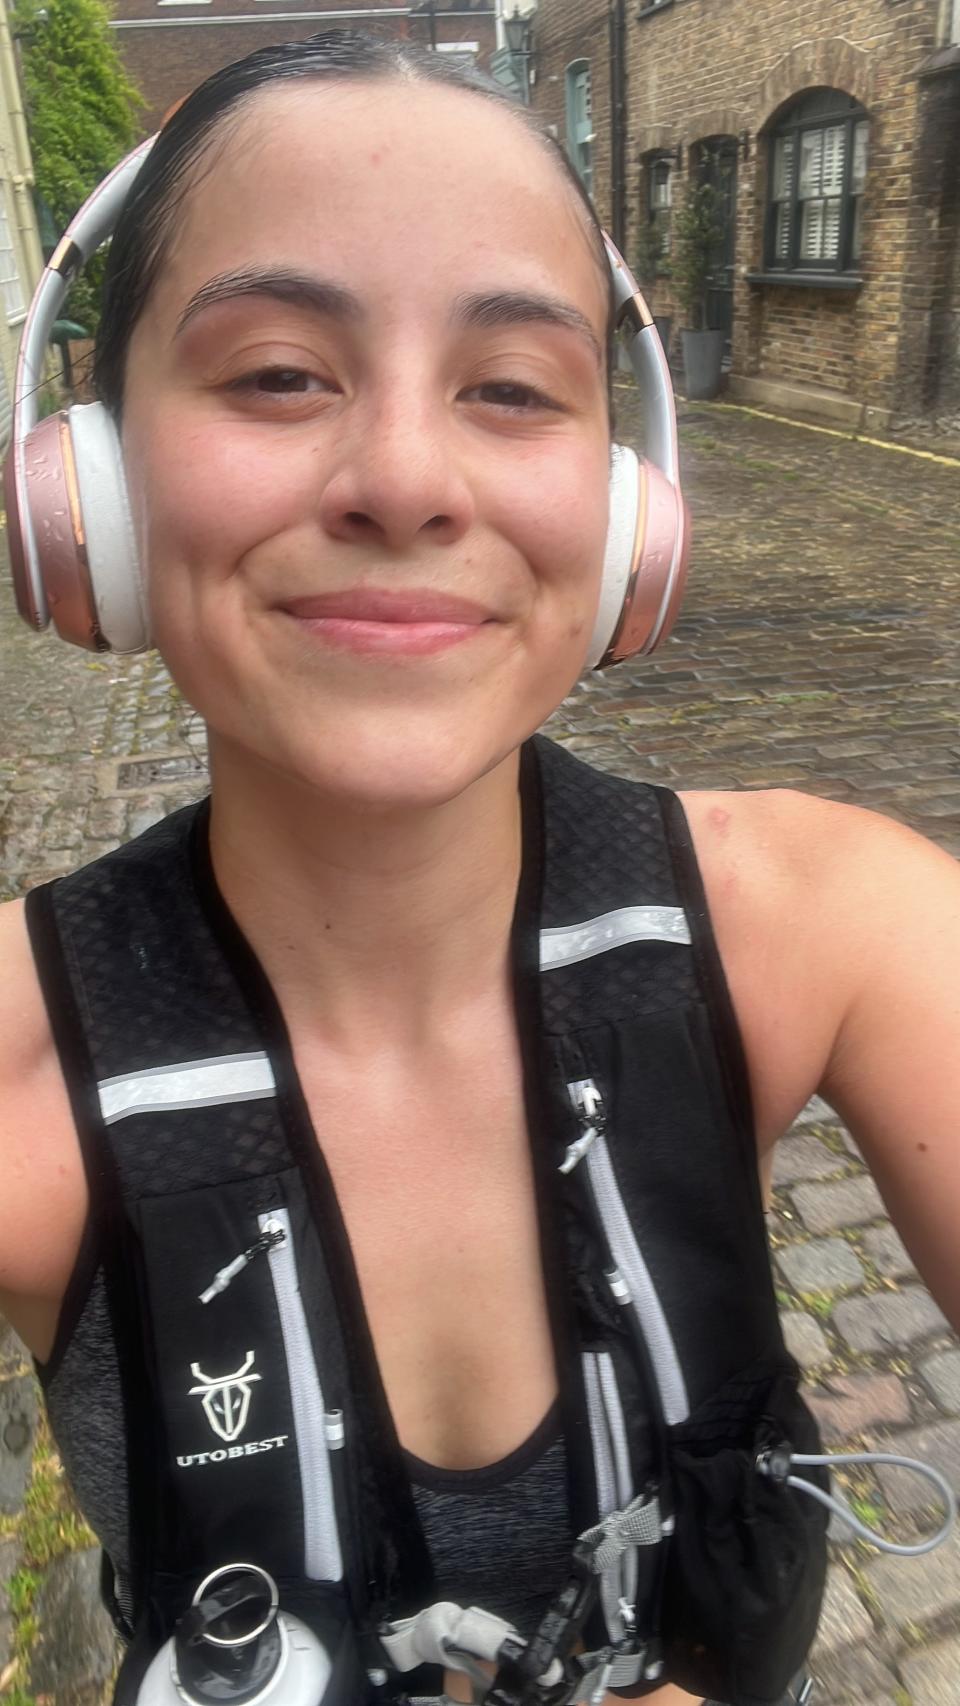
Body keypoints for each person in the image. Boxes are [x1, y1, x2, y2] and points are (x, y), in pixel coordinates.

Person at [0, 31, 958, 1706]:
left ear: (622, 509)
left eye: (511, 386)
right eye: (281, 372)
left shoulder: (836, 926)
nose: (407, 481)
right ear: (94, 481)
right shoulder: (24, 1075)